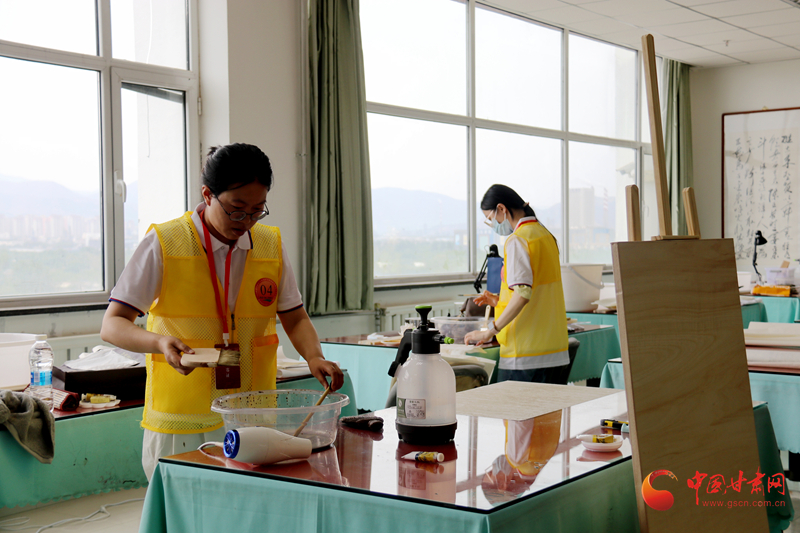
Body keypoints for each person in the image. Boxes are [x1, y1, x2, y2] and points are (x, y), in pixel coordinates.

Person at [101, 143, 343, 480]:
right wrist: (159, 342)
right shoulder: (165, 242)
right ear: (208, 194)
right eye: (236, 209)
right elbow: (112, 324)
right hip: (182, 419)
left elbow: (295, 317)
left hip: (251, 417)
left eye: (257, 210)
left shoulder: (269, 244)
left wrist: (314, 356)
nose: (246, 221)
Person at [464, 184, 569, 383]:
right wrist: (500, 301)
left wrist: (489, 331)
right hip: (555, 351)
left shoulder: (518, 240)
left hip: (524, 354)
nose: (493, 224)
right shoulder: (546, 236)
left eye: (490, 218)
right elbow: (536, 292)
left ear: (502, 208)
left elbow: (522, 295)